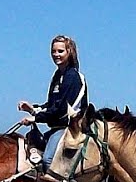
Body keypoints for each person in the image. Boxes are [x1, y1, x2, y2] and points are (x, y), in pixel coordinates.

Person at [17, 34, 87, 166]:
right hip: (57, 127)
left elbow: (62, 110)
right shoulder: (58, 75)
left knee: (48, 160)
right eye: (53, 51)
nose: (56, 54)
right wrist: (32, 109)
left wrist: (35, 118)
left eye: (60, 51)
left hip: (69, 128)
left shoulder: (72, 76)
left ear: (69, 52)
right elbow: (52, 105)